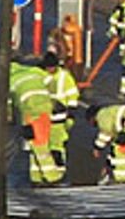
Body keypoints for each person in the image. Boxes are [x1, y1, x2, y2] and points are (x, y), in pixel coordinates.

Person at [7, 44, 81, 186]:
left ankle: (56, 174)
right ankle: (38, 177)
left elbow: (72, 96)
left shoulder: (63, 76)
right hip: (45, 112)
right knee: (38, 146)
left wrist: (70, 115)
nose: (49, 70)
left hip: (55, 116)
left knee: (52, 147)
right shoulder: (39, 74)